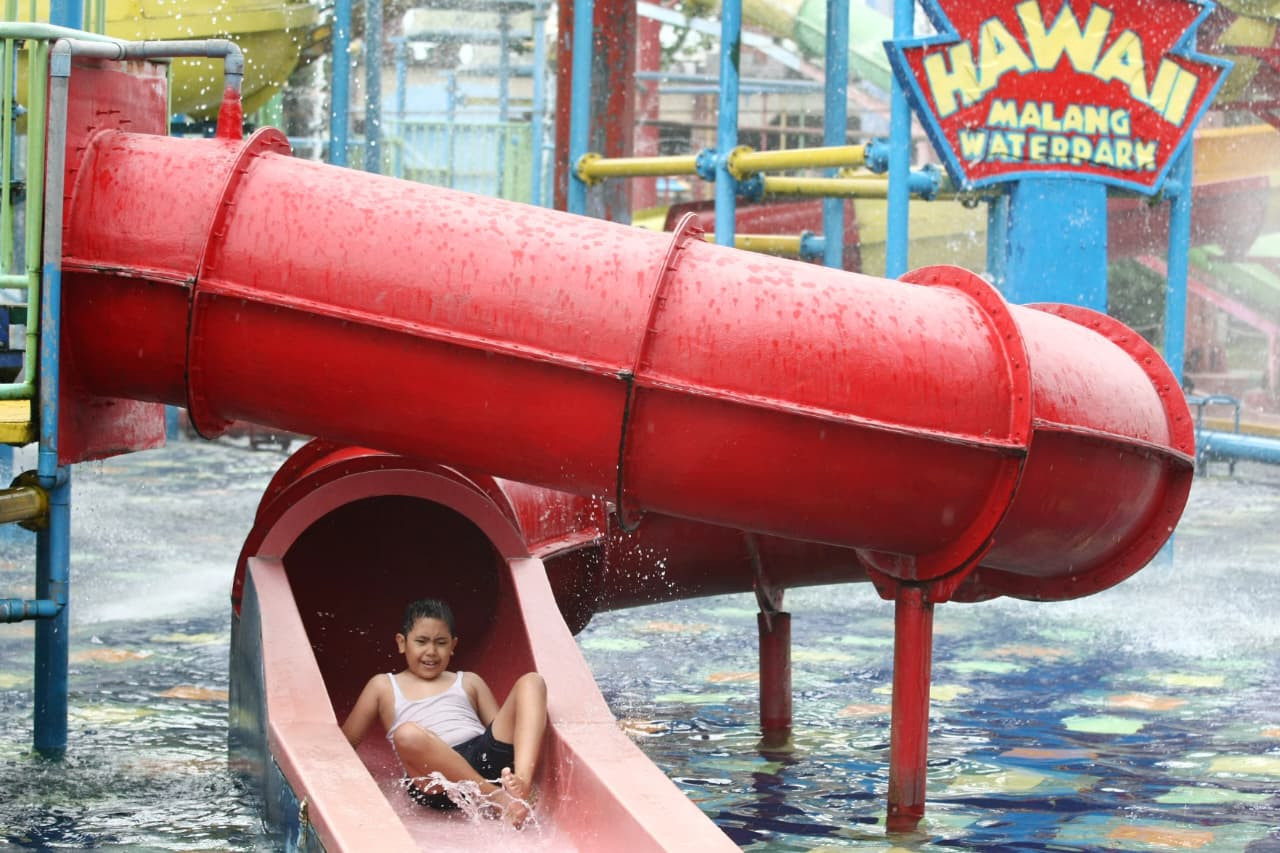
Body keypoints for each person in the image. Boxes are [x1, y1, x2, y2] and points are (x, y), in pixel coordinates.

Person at [341, 598, 547, 826]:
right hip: (434, 777)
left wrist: (516, 767)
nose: (431, 651)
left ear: (453, 646)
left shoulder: (468, 681)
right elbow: (345, 742)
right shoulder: (383, 686)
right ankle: (494, 797)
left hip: (482, 756)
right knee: (407, 733)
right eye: (421, 641)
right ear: (402, 643)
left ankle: (523, 783)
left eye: (441, 642)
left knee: (533, 681)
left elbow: (501, 730)